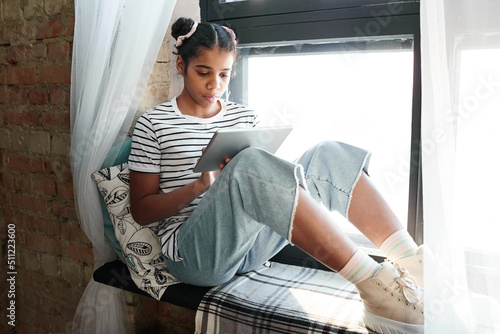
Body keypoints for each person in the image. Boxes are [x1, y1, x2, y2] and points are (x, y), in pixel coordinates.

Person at [128, 17, 424, 334]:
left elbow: (265, 186)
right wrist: (201, 186)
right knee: (250, 163)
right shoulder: (154, 124)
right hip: (193, 256)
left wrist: (251, 176)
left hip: (248, 247)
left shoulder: (244, 116)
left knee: (328, 153)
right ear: (180, 65)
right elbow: (142, 211)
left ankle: (413, 267)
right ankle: (375, 287)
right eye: (204, 73)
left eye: (224, 74)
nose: (215, 85)